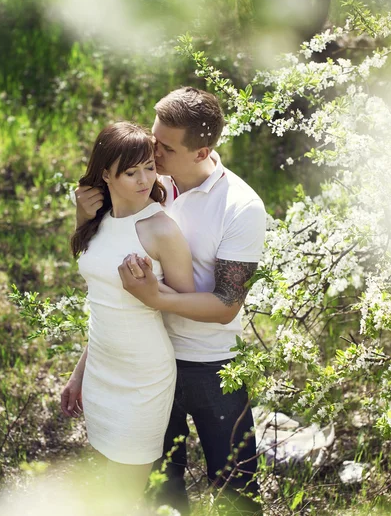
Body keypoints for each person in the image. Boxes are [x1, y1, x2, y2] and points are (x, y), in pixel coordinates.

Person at [73, 87, 266, 515]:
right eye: (153, 139)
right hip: (146, 362)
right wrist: (83, 218)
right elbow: (106, 277)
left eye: (164, 147)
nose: (152, 152)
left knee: (236, 488)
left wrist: (155, 297)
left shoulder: (240, 208)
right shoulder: (146, 180)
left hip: (211, 364)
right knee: (161, 490)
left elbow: (226, 306)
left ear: (203, 151)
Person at [60, 122, 196, 509]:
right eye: (131, 171)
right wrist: (79, 373)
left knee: (124, 493)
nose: (144, 179)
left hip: (142, 376)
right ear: (106, 174)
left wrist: (149, 292)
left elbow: (186, 301)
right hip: (102, 369)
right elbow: (102, 305)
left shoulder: (160, 229)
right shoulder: (98, 220)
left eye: (149, 168)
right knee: (110, 482)